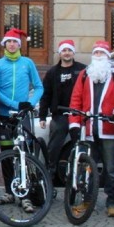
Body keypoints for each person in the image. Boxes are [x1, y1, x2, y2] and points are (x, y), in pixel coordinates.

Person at [68, 40, 114, 217]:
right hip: (88, 130)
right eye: (95, 53)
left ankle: (112, 202)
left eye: (101, 54)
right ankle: (87, 200)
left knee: (112, 169)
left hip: (109, 130)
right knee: (87, 168)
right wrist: (74, 123)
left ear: (107, 56)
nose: (98, 56)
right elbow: (76, 101)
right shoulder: (84, 75)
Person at [0, 28, 43, 212]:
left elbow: (38, 87)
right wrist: (14, 104)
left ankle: (26, 194)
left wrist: (30, 103)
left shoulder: (27, 63)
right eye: (9, 42)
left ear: (19, 45)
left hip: (23, 116)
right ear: (4, 45)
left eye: (15, 42)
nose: (12, 45)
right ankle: (9, 192)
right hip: (5, 115)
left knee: (24, 154)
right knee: (6, 154)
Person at [37, 39, 86, 176]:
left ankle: (82, 173)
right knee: (54, 144)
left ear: (73, 52)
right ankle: (50, 172)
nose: (67, 53)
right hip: (59, 114)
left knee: (81, 144)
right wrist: (42, 115)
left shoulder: (82, 69)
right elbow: (46, 94)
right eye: (64, 50)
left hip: (78, 114)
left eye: (69, 50)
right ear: (60, 53)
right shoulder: (52, 72)